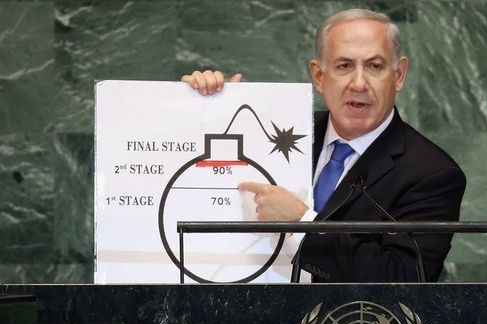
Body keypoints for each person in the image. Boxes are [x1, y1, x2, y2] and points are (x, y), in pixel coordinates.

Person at [181, 9, 465, 282]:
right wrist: (205, 108)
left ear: (399, 75)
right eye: (344, 66)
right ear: (319, 76)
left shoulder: (432, 173)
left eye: (375, 66)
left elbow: (404, 278)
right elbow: (198, 186)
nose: (359, 83)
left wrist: (303, 223)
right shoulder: (277, 134)